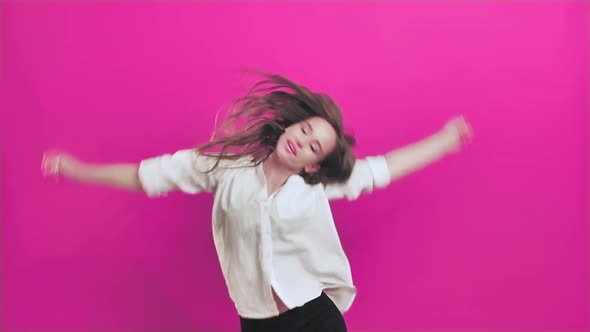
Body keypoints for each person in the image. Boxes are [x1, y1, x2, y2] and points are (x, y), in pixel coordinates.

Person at [41, 74, 473, 332]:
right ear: (290, 127)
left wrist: (445, 140)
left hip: (313, 317)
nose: (302, 140)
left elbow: (384, 168)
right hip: (258, 321)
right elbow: (146, 176)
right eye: (304, 130)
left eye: (313, 146)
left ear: (313, 166)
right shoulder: (225, 168)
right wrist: (78, 170)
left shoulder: (317, 187)